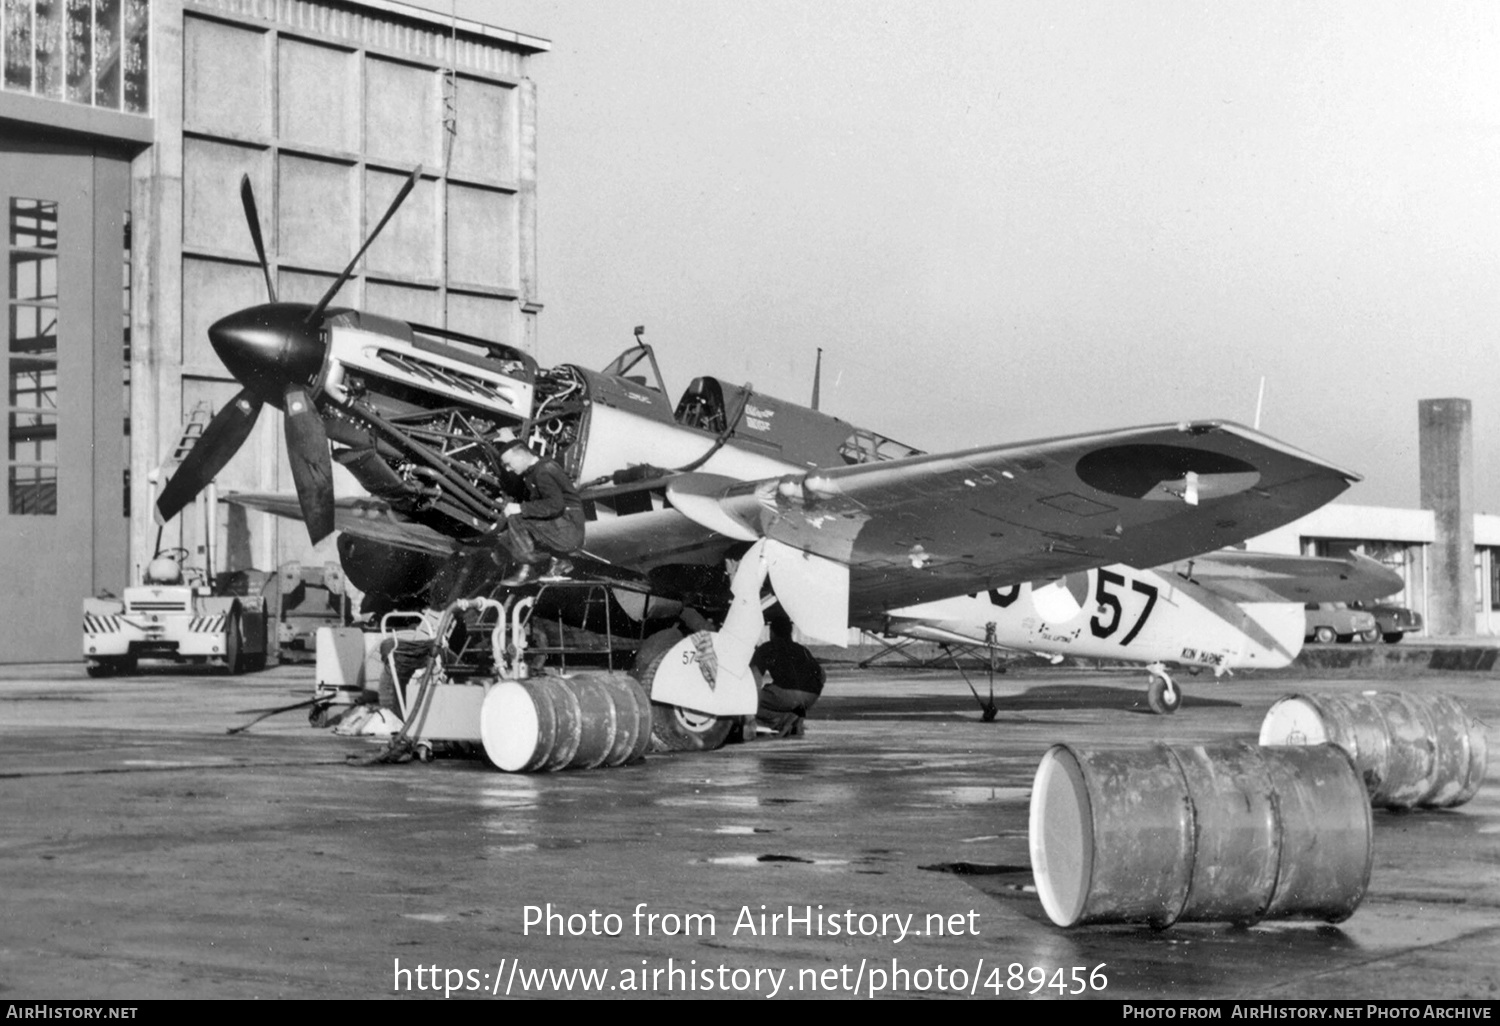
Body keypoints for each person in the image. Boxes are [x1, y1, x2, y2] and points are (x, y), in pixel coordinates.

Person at [492, 441, 586, 587]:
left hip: (569, 529)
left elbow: (555, 505)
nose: (509, 469)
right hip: (565, 527)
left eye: (509, 464)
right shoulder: (536, 470)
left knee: (516, 517)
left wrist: (521, 508)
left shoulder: (543, 471)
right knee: (506, 538)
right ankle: (558, 561)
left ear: (521, 456)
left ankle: (529, 569)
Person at [750, 616, 825, 737]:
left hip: (787, 695)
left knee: (746, 702)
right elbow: (822, 675)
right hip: (811, 695)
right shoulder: (802, 649)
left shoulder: (767, 648)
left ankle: (778, 720)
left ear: (771, 632)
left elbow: (755, 677)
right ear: (790, 632)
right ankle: (793, 716)